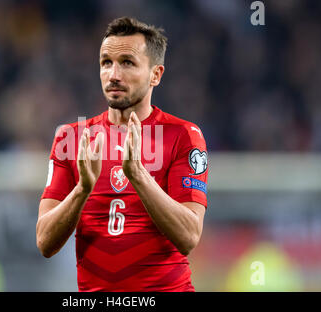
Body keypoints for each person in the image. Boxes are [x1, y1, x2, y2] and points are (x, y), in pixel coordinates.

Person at [36, 17, 208, 292]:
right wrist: (82, 189)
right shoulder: (71, 137)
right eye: (106, 62)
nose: (113, 74)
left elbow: (189, 236)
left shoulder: (184, 136)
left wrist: (138, 175)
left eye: (127, 62)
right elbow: (45, 242)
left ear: (156, 74)